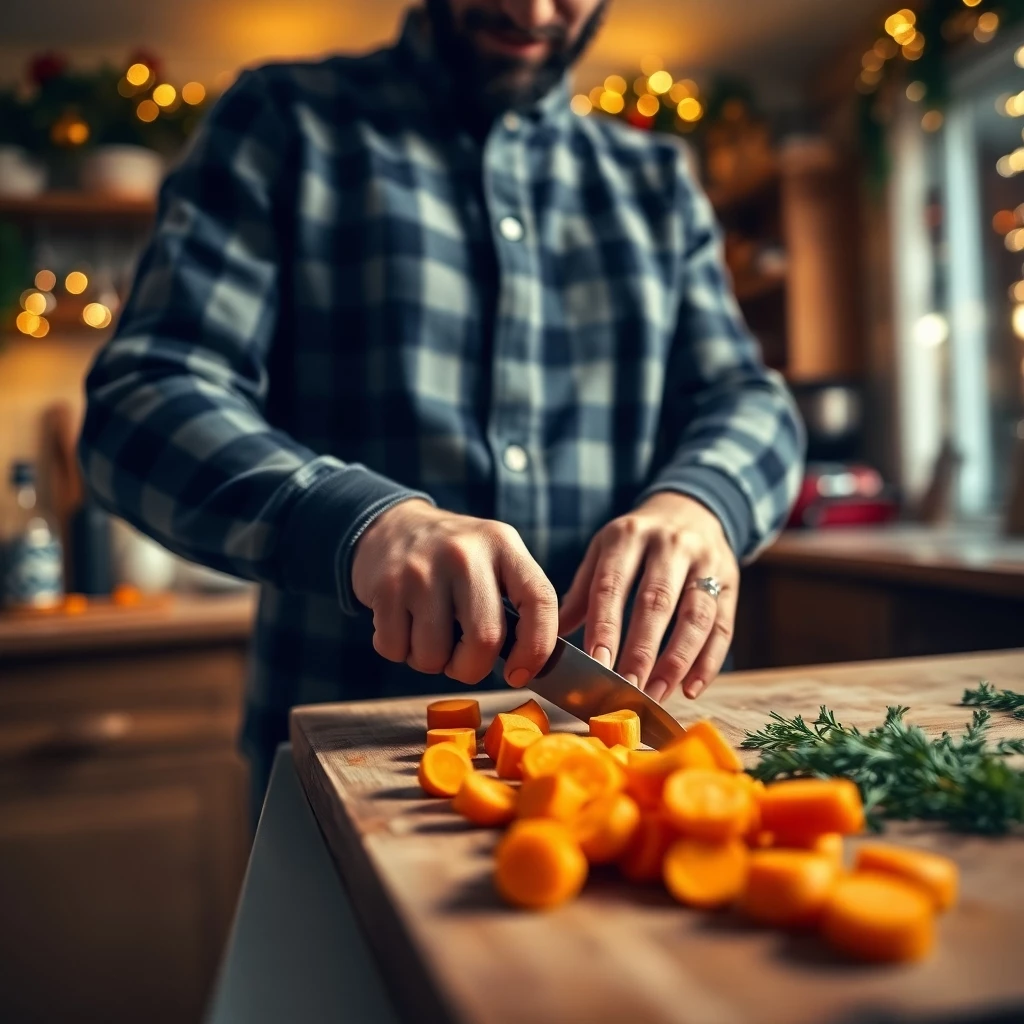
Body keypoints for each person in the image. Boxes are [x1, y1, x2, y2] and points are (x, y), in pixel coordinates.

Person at [78, 0, 805, 806]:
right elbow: (141, 400)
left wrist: (702, 503)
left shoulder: (658, 184)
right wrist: (362, 524)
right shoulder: (281, 123)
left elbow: (749, 399)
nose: (533, 10)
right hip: (356, 773)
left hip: (631, 769)